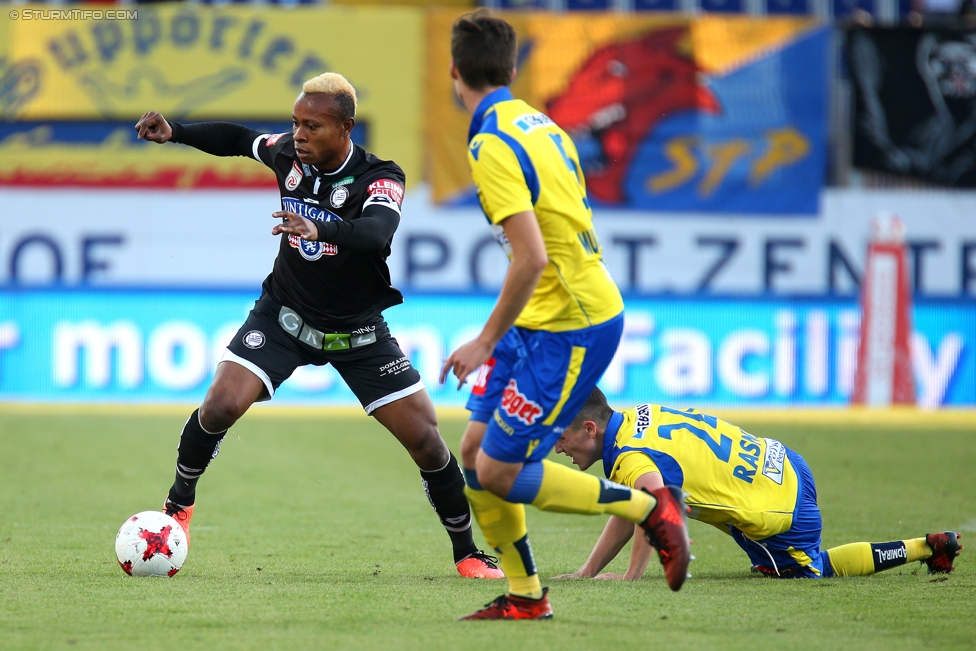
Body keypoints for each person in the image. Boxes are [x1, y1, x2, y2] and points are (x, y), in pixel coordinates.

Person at [133, 72, 503, 580]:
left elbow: (376, 233)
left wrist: (320, 226)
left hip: (357, 330)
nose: (299, 135)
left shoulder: (380, 177)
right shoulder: (288, 154)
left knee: (426, 441)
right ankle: (178, 507)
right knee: (219, 404)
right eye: (296, 123)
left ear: (346, 128)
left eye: (313, 126)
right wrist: (175, 131)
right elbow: (240, 139)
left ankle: (466, 553)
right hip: (285, 315)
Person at [438, 11, 691, 621]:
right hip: (544, 317)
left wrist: (483, 340)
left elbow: (531, 256)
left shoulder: (493, 143)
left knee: (498, 469)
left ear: (454, 73)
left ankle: (647, 507)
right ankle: (527, 596)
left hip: (569, 322)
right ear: (513, 69)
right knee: (474, 452)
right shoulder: (541, 124)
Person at [552, 387, 964, 581]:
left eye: (562, 437)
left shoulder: (628, 456)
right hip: (784, 461)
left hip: (780, 507)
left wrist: (629, 578)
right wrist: (588, 571)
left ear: (590, 428)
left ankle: (926, 547)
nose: (557, 448)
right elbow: (636, 502)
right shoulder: (641, 414)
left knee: (811, 569)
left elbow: (654, 504)